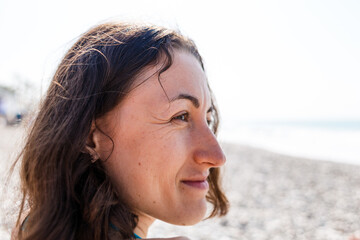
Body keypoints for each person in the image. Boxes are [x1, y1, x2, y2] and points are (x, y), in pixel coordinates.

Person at [12, 22, 229, 240]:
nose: (216, 157)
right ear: (90, 138)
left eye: (208, 119)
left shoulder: (36, 227)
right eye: (180, 117)